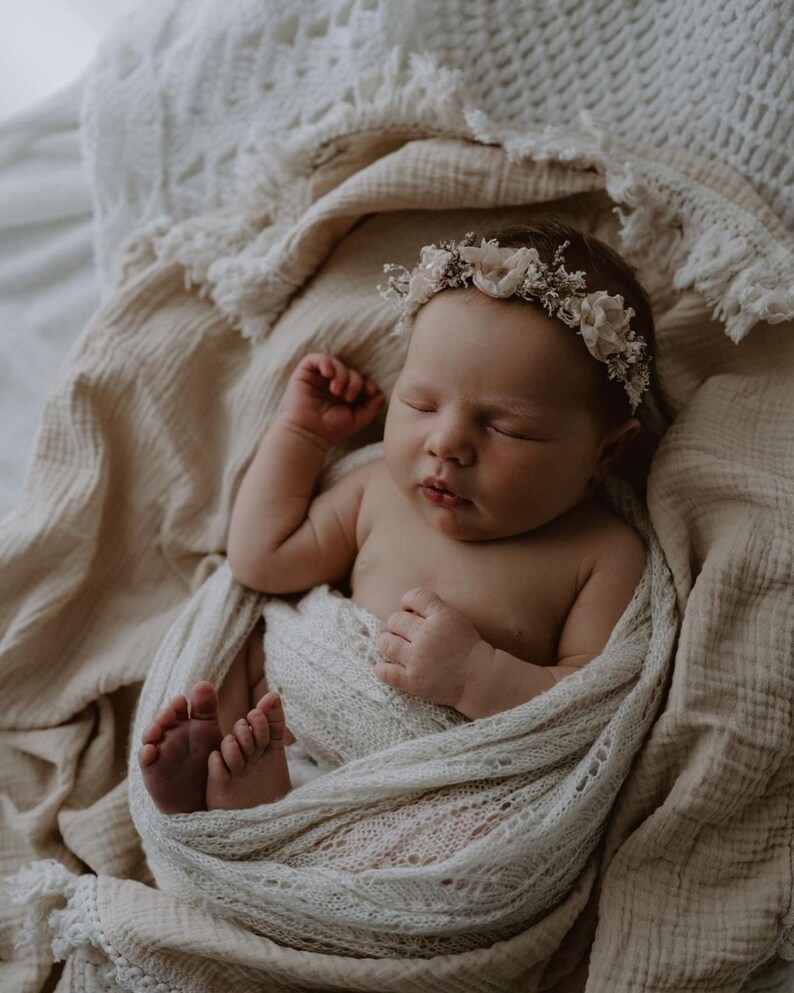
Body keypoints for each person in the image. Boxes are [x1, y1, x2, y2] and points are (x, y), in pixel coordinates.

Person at [138, 220, 654, 814]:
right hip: (302, 727)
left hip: (429, 788)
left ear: (606, 452)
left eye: (505, 427)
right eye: (421, 403)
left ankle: (262, 805)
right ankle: (235, 790)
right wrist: (301, 435)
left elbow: (587, 710)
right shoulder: (378, 490)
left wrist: (473, 676)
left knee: (466, 851)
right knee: (240, 664)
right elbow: (262, 560)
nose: (447, 443)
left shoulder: (601, 554)